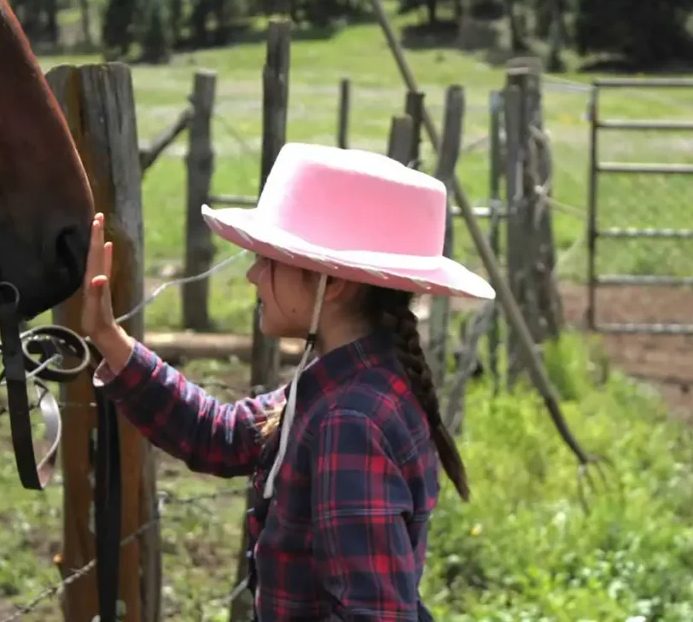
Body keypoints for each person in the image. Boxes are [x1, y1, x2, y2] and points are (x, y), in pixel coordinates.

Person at [82, 142, 495, 620]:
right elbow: (223, 435)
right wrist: (110, 339)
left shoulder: (349, 421)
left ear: (332, 283)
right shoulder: (352, 383)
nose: (254, 276)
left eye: (271, 259)